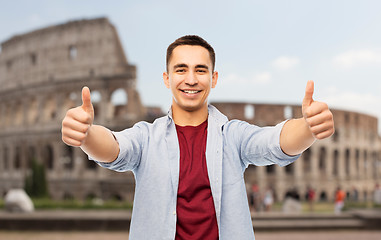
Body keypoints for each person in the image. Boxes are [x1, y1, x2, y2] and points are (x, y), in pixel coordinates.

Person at [61, 35, 335, 239]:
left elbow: (274, 142)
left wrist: (308, 127)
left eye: (200, 70)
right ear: (167, 79)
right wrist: (86, 135)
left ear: (213, 79)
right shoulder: (146, 137)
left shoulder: (233, 135)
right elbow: (115, 149)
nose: (191, 79)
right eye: (181, 69)